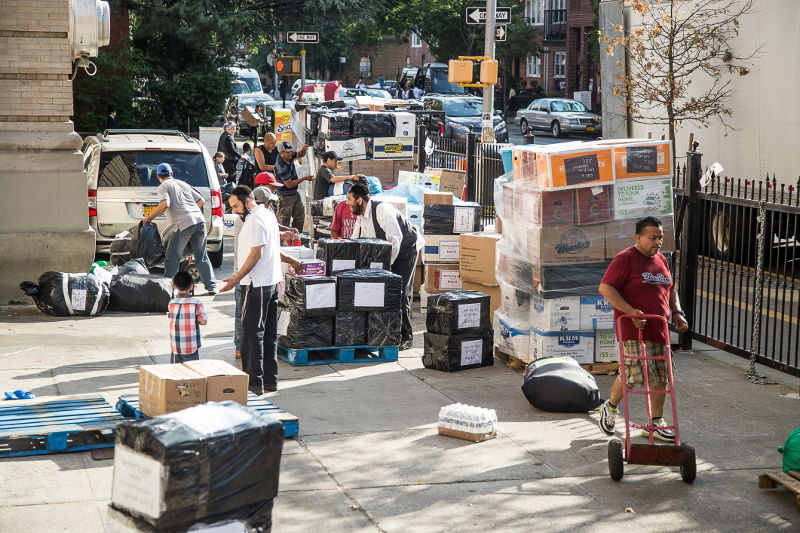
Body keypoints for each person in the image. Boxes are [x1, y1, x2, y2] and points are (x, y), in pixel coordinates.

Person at [597, 216, 689, 442]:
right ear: (638, 238)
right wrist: (630, 311)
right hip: (634, 329)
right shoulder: (625, 259)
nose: (657, 242)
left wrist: (676, 312)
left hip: (659, 328)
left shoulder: (662, 260)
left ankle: (655, 422)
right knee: (632, 373)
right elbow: (606, 288)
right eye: (652, 237)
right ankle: (609, 407)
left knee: (662, 375)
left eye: (660, 237)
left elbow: (670, 289)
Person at [220, 185, 301, 394]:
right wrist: (293, 259)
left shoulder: (255, 219)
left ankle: (254, 384)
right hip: (270, 283)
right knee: (269, 334)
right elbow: (273, 247)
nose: (234, 211)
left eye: (236, 206)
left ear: (248, 201)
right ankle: (269, 381)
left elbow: (257, 253)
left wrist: (236, 279)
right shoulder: (267, 214)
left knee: (251, 335)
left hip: (256, 285)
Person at [347, 183, 422, 350]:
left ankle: (406, 336)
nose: (347, 203)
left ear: (359, 200)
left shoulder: (382, 210)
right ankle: (385, 333)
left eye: (349, 199)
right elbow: (355, 240)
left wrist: (387, 270)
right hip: (386, 254)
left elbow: (395, 240)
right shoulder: (360, 217)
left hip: (404, 251)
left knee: (398, 290)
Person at [142, 163, 217, 294]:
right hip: (200, 222)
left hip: (182, 225)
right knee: (201, 256)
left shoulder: (163, 186)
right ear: (171, 174)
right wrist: (190, 211)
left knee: (172, 257)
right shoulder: (182, 183)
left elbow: (165, 204)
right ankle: (211, 287)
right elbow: (201, 201)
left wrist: (148, 218)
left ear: (158, 176)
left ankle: (167, 289)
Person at [168, 271, 208, 363]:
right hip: (190, 346)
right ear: (192, 285)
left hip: (175, 347)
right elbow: (203, 321)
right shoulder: (196, 302)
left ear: (174, 286)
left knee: (176, 372)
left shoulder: (171, 303)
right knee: (192, 372)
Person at [274, 141, 312, 232]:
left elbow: (299, 154)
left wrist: (303, 149)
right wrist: (304, 178)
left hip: (294, 193)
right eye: (288, 151)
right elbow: (289, 184)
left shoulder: (289, 156)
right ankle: (283, 241)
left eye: (291, 151)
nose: (291, 153)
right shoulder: (281, 166)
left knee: (300, 216)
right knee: (284, 221)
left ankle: (296, 236)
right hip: (285, 195)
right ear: (281, 152)